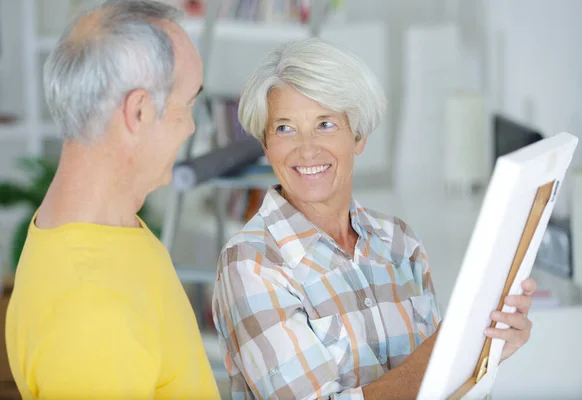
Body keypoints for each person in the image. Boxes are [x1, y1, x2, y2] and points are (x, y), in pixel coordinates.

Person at [212, 38, 536, 399]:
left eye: (325, 124)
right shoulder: (252, 263)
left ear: (359, 136)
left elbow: (446, 391)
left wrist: (487, 348)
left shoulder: (399, 242)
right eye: (285, 128)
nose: (306, 149)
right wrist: (454, 343)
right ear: (265, 145)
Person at [5, 1, 220, 399]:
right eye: (188, 105)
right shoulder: (92, 310)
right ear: (138, 112)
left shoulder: (93, 228)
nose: (191, 127)